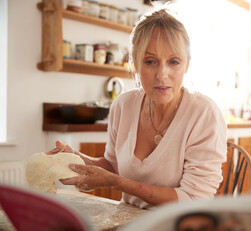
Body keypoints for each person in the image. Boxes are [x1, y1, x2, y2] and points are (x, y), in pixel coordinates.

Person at [47, 8, 227, 209]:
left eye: (174, 62)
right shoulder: (123, 106)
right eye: (150, 61)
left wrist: (116, 183)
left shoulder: (204, 113)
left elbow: (194, 200)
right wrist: (76, 158)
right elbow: (113, 166)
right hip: (130, 223)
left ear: (187, 65)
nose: (162, 74)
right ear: (135, 64)